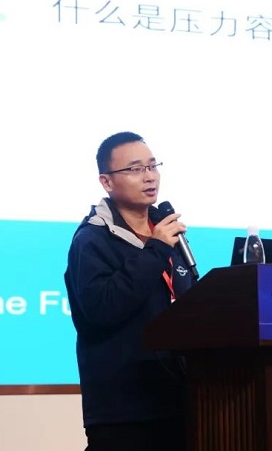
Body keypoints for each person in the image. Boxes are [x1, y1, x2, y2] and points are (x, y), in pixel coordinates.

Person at [63, 131, 197, 451]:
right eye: (135, 169)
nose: (149, 176)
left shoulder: (166, 232)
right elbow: (102, 309)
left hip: (179, 400)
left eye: (153, 166)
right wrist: (155, 251)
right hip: (124, 412)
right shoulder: (91, 240)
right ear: (107, 182)